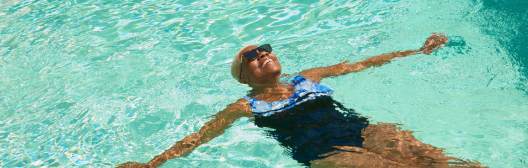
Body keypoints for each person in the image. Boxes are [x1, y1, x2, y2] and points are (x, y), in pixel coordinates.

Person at [118, 34, 481, 168]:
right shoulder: (244, 106)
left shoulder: (308, 76)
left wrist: (418, 51)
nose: (262, 54)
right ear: (243, 77)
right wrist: (153, 165)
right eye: (251, 56)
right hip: (326, 152)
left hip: (364, 129)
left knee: (439, 161)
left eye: (265, 49)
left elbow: (365, 62)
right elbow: (200, 137)